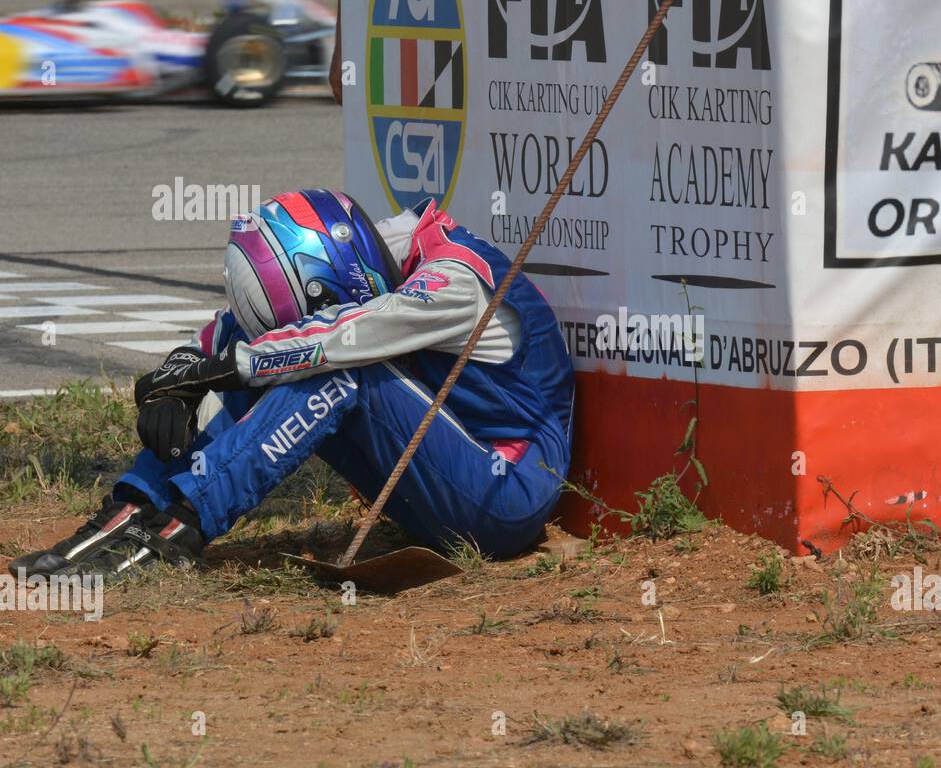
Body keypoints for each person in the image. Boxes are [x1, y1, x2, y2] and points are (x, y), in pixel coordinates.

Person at [8, 191, 574, 581]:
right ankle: (129, 513)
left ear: (331, 278)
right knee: (257, 352)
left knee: (327, 363)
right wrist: (180, 376)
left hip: (503, 495)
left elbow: (339, 336)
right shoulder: (362, 250)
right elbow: (245, 333)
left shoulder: (456, 280)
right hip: (437, 477)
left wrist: (222, 369)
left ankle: (181, 531)